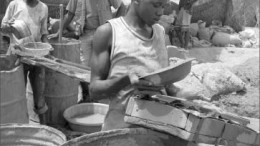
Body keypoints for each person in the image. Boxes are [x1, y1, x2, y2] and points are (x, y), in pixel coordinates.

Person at [89, 0, 179, 131]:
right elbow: (94, 91)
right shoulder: (109, 33)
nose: (161, 12)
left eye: (163, 6)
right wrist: (126, 79)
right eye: (155, 5)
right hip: (121, 132)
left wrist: (183, 94)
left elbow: (165, 84)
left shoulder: (160, 32)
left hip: (157, 131)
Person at [48, 0, 122, 103]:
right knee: (83, 65)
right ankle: (87, 95)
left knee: (102, 66)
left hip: (103, 33)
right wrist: (59, 31)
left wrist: (115, 24)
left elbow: (121, 5)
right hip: (85, 33)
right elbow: (70, 14)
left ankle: (99, 95)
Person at [1, 0, 49, 124]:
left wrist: (47, 46)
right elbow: (3, 28)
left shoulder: (43, 8)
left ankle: (45, 128)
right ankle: (20, 125)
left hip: (36, 57)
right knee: (17, 95)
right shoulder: (15, 5)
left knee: (40, 95)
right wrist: (7, 27)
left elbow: (44, 33)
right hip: (17, 56)